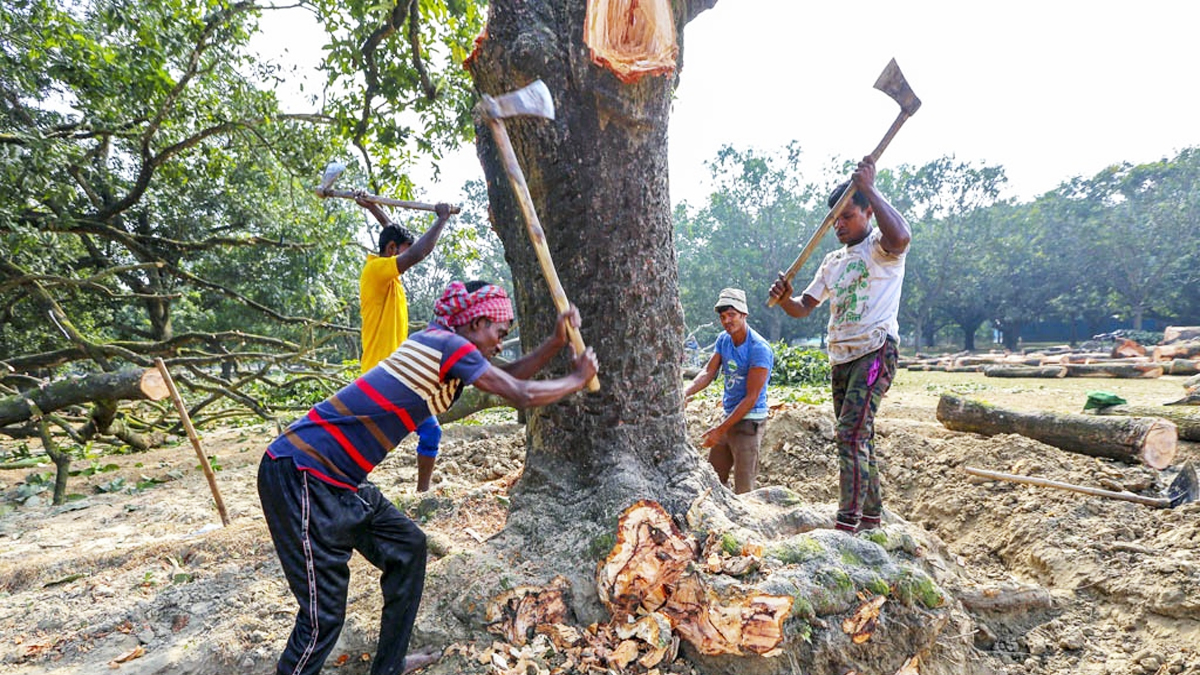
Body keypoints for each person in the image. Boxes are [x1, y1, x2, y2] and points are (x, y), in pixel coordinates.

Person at [258, 280, 598, 675]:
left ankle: (389, 666)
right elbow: (518, 392)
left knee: (408, 548)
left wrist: (555, 343)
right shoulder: (446, 345)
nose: (501, 343)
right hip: (301, 471)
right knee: (323, 617)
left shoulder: (446, 349)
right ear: (477, 323)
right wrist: (577, 379)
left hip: (338, 480)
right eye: (499, 332)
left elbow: (506, 376)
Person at [768, 156, 911, 534]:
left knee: (850, 434)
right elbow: (803, 307)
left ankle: (847, 524)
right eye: (835, 219)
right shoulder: (832, 262)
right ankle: (871, 517)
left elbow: (902, 237)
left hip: (875, 351)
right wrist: (784, 298)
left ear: (868, 212)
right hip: (841, 357)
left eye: (847, 216)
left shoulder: (882, 248)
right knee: (859, 435)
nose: (840, 225)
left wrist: (870, 188)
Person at [358, 198, 452, 492]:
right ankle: (351, 485)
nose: (407, 258)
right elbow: (420, 252)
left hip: (401, 374)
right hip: (379, 375)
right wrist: (442, 219)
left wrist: (373, 208)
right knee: (367, 441)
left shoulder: (390, 275)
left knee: (431, 432)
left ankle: (422, 494)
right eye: (402, 251)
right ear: (391, 250)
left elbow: (392, 231)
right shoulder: (377, 272)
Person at [683, 288, 774, 494]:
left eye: (732, 315)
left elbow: (751, 398)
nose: (727, 321)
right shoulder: (724, 339)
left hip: (749, 421)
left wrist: (720, 430)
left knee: (744, 488)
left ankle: (746, 515)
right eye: (723, 317)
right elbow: (708, 372)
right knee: (713, 479)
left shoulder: (758, 348)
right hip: (729, 416)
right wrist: (685, 393)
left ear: (744, 314)